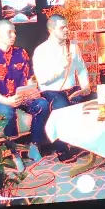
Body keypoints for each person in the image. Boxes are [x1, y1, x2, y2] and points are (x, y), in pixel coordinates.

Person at [0, 20, 51, 162]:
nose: (14, 35)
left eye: (14, 32)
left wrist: (32, 91)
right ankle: (14, 153)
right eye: (9, 32)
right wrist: (7, 101)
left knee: (42, 104)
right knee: (7, 111)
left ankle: (34, 146)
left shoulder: (21, 53)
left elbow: (29, 78)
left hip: (20, 96)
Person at [32, 14, 92, 163]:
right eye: (62, 27)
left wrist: (85, 86)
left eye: (67, 27)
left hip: (72, 89)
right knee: (62, 107)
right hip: (51, 91)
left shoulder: (73, 47)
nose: (66, 30)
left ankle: (85, 143)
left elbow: (81, 68)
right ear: (51, 30)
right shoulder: (41, 51)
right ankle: (61, 148)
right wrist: (62, 67)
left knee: (94, 100)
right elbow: (43, 80)